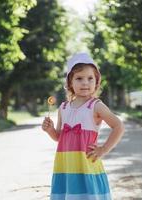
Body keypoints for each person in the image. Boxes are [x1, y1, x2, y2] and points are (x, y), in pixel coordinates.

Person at [42, 52, 125, 200]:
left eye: (90, 78)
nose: (85, 83)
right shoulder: (63, 108)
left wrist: (104, 149)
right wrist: (50, 130)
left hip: (87, 165)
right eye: (79, 78)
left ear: (96, 82)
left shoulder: (96, 106)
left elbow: (118, 126)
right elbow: (59, 137)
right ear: (70, 83)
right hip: (67, 167)